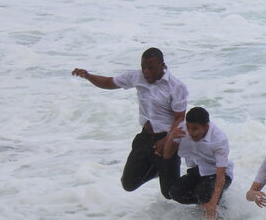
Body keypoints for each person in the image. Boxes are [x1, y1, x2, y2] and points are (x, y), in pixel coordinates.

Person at [71, 47, 188, 198]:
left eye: (151, 68)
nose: (146, 72)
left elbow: (180, 117)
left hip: (167, 139)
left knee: (170, 193)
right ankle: (158, 169)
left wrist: (167, 140)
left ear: (162, 66)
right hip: (145, 137)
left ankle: (198, 186)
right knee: (128, 184)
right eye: (143, 67)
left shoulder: (176, 86)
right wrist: (88, 76)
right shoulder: (136, 77)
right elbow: (109, 82)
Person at [168, 106, 234, 220]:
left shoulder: (219, 139)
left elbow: (221, 175)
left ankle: (219, 208)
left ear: (206, 126)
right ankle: (204, 204)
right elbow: (166, 155)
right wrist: (170, 138)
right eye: (189, 128)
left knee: (203, 192)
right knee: (175, 193)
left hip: (220, 174)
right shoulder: (183, 129)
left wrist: (213, 201)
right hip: (198, 170)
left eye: (195, 129)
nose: (191, 132)